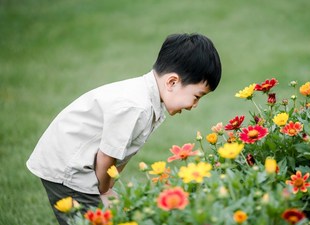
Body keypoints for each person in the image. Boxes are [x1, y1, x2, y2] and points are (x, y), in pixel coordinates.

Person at [26, 33, 222, 225]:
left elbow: (123, 152)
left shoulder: (149, 101)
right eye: (197, 96)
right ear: (172, 82)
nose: (195, 105)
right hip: (67, 166)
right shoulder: (136, 106)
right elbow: (106, 156)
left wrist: (108, 186)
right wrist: (103, 192)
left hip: (77, 158)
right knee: (92, 218)